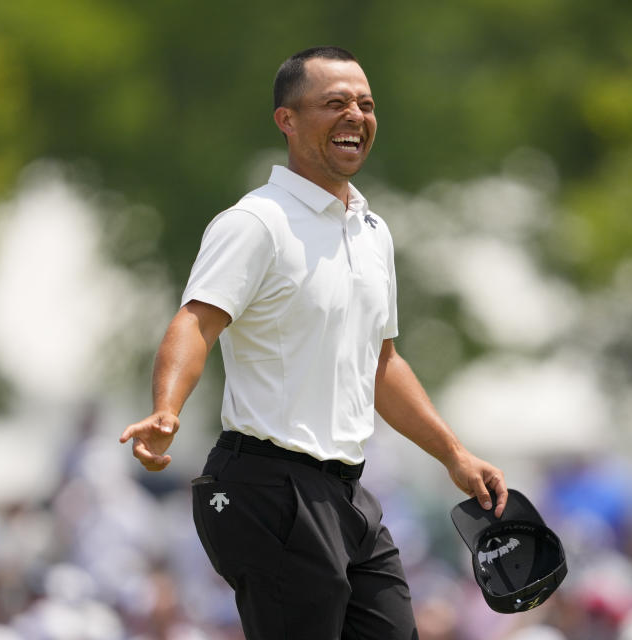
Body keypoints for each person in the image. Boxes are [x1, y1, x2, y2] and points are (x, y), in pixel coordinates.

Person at [119, 46, 508, 639]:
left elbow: (382, 364)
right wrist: (167, 409)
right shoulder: (256, 222)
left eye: (366, 104)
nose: (356, 114)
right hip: (265, 486)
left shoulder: (374, 232)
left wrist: (454, 454)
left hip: (347, 493)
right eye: (335, 103)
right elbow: (196, 322)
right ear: (287, 121)